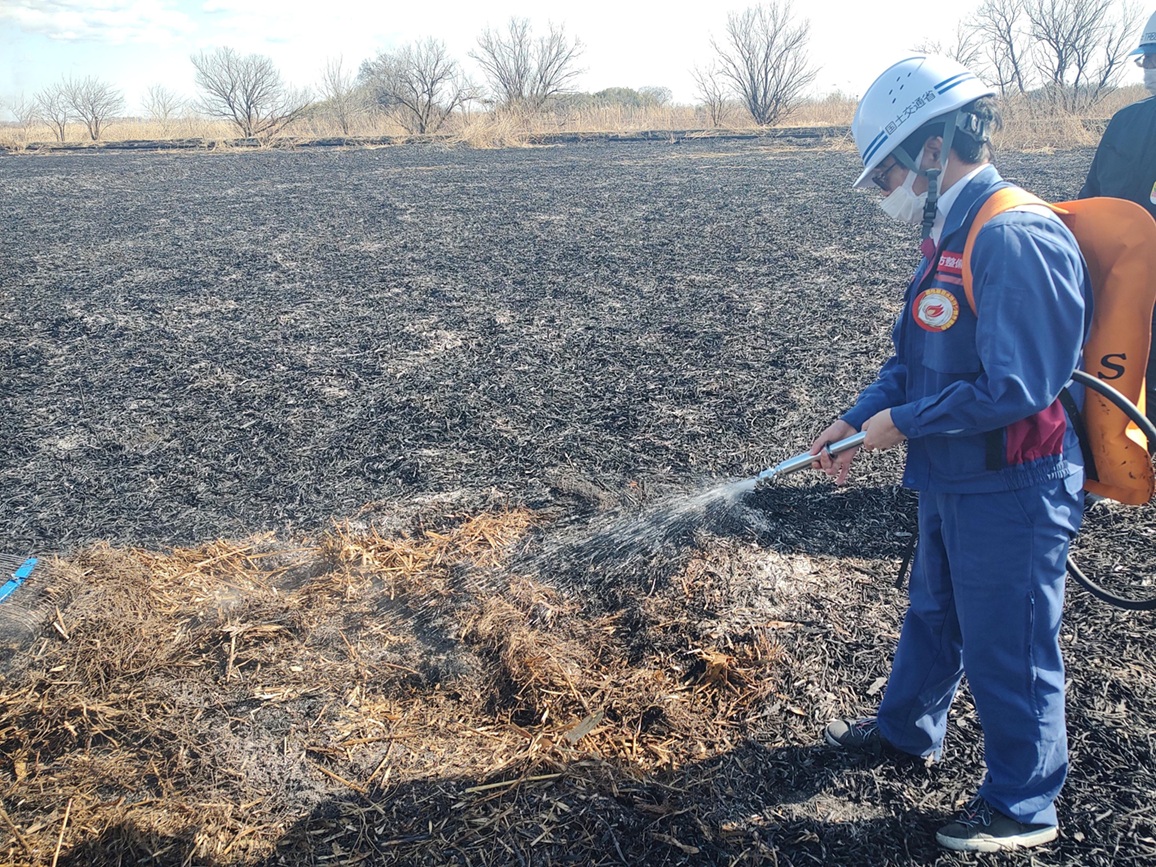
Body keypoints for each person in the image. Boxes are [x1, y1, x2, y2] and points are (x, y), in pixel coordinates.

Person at [811, 56, 1092, 853]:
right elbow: (916, 355)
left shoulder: (1014, 232)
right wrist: (856, 415)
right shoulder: (952, 233)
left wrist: (900, 424)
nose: (888, 188)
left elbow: (1021, 387)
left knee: (1012, 641)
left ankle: (1022, 805)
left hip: (1014, 482)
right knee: (934, 614)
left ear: (935, 149)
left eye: (891, 170)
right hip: (954, 474)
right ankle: (904, 731)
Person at [1081, 10, 1156, 421]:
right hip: (1118, 287)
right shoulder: (1126, 123)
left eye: (1154, 57)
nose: (1147, 68)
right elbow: (1090, 200)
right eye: (1145, 57)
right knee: (1117, 390)